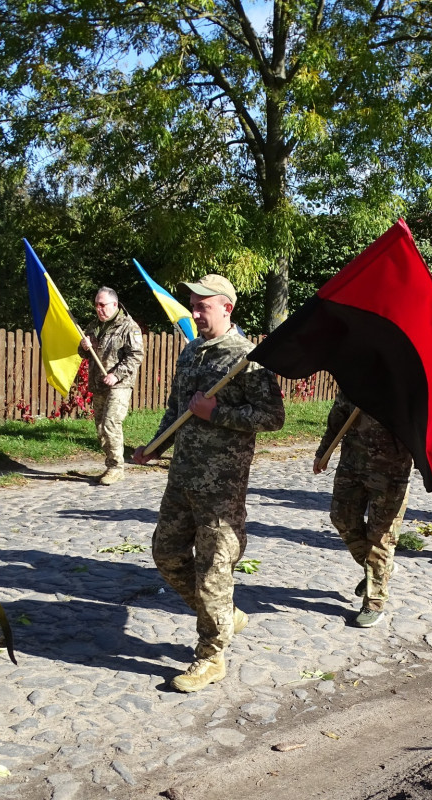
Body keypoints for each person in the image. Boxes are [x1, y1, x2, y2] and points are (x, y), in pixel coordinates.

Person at [132, 275, 284, 693]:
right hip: (182, 476)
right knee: (165, 554)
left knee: (213, 572)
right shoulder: (192, 352)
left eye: (203, 306)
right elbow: (177, 409)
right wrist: (156, 446)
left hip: (222, 486)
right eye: (193, 305)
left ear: (226, 308)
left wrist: (216, 414)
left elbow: (272, 417)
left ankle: (210, 655)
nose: (195, 313)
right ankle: (223, 616)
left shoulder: (247, 358)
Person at [314, 394, 412, 625]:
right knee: (341, 518)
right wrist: (324, 451)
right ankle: (380, 569)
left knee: (381, 537)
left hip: (392, 473)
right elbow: (337, 417)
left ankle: (374, 602)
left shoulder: (408, 385)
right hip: (352, 465)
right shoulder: (355, 379)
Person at [79, 287, 145, 486]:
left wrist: (116, 375)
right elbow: (85, 354)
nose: (99, 309)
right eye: (97, 305)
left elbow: (136, 356)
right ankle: (110, 464)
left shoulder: (128, 327)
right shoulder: (94, 326)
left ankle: (117, 467)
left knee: (110, 423)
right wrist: (83, 347)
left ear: (114, 305)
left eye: (103, 305)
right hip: (99, 383)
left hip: (119, 385)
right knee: (100, 428)